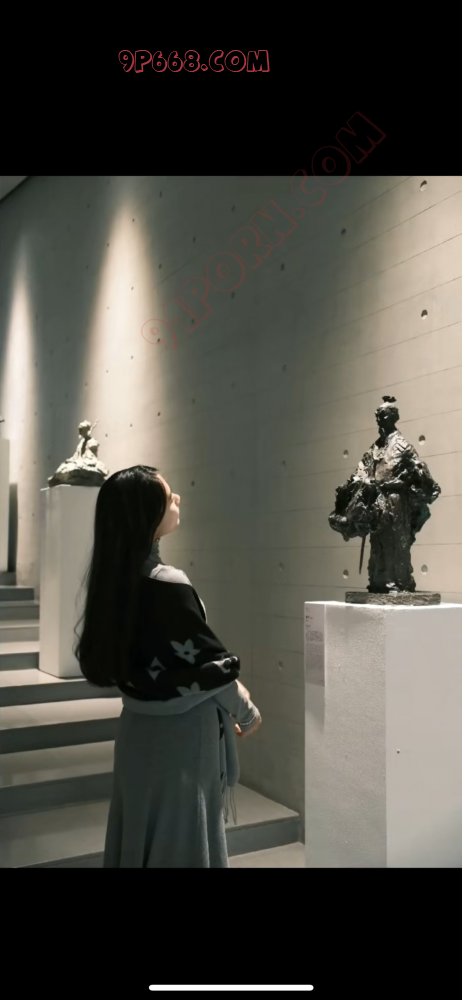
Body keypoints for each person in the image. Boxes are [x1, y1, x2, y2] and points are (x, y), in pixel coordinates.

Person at [73, 465, 261, 868]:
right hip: (183, 737)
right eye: (168, 495)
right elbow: (207, 665)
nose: (177, 499)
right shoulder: (168, 584)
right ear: (148, 514)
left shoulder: (113, 582)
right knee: (183, 838)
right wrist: (247, 712)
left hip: (137, 732)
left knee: (140, 831)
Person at [329, 396, 441, 593]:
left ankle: (399, 582)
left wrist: (411, 481)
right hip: (375, 503)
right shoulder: (375, 447)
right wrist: (356, 484)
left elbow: (420, 474)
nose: (378, 418)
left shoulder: (403, 446)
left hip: (395, 502)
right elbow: (361, 470)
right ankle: (379, 582)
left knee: (396, 542)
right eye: (377, 415)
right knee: (378, 543)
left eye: (382, 415)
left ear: (392, 417)